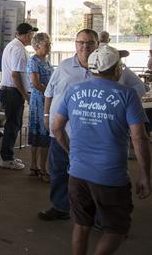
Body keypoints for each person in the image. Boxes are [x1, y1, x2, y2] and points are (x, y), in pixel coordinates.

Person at [52, 44, 150, 255]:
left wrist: (71, 153)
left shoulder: (74, 91)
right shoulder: (127, 94)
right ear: (115, 69)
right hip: (110, 175)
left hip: (77, 173)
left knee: (81, 224)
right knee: (117, 228)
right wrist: (144, 174)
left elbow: (56, 127)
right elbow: (139, 138)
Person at [38, 29, 98, 221]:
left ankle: (93, 213)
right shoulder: (64, 67)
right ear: (75, 44)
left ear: (97, 45)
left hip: (90, 133)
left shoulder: (104, 69)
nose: (85, 47)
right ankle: (60, 206)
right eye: (81, 42)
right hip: (61, 130)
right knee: (58, 169)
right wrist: (47, 115)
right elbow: (49, 92)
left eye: (90, 43)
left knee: (91, 174)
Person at [0, 23, 37, 170]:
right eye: (32, 35)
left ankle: (4, 155)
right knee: (13, 124)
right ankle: (7, 158)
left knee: (13, 123)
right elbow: (15, 75)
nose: (32, 38)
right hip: (12, 91)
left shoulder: (13, 46)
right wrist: (24, 94)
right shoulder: (18, 50)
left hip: (9, 90)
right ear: (27, 35)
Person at [27, 32, 53, 182]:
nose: (49, 47)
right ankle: (40, 168)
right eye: (46, 44)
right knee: (41, 132)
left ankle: (38, 166)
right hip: (40, 100)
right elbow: (35, 84)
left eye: (49, 44)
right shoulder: (34, 61)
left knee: (42, 133)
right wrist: (50, 92)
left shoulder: (46, 60)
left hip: (46, 98)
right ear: (37, 46)